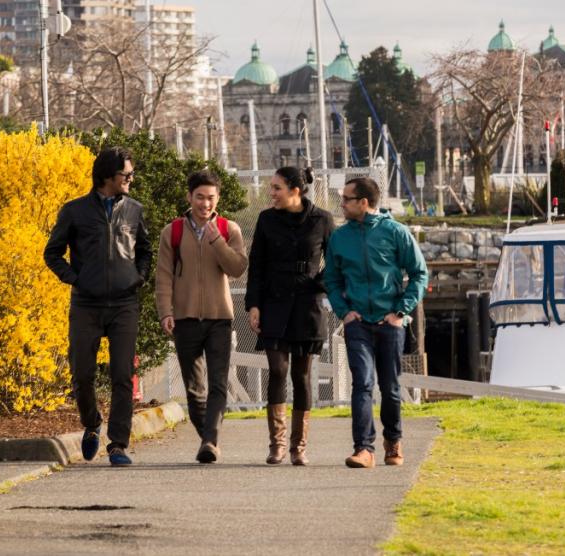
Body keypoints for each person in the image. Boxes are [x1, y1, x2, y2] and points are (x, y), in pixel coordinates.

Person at [44, 146, 152, 466]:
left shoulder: (134, 210)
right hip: (86, 305)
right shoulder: (74, 211)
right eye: (126, 174)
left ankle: (118, 445)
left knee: (122, 375)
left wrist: (139, 277)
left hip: (124, 304)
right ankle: (92, 424)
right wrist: (75, 278)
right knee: (82, 373)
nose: (131, 179)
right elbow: (52, 253)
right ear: (107, 176)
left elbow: (144, 250)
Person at [323, 176, 427, 469]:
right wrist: (344, 311)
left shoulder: (395, 233)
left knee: (391, 387)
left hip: (390, 323)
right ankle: (363, 449)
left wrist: (400, 312)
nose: (341, 204)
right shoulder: (339, 238)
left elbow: (419, 274)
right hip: (357, 323)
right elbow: (330, 279)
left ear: (364, 203)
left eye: (346, 199)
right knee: (363, 383)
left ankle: (393, 441)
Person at [155, 170, 248, 464]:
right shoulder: (173, 232)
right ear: (189, 197)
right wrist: (166, 312)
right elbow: (164, 276)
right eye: (199, 197)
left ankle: (210, 441)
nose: (205, 204)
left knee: (218, 382)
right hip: (184, 319)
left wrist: (216, 240)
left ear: (217, 198)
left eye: (210, 198)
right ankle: (207, 437)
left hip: (219, 318)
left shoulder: (228, 228)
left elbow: (237, 268)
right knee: (194, 387)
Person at [245, 166, 334, 465]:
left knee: (301, 375)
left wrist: (317, 285)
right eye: (271, 188)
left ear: (295, 190)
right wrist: (253, 305)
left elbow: (334, 264)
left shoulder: (322, 219)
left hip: (307, 306)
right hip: (273, 303)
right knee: (278, 371)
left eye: (277, 188)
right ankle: (277, 445)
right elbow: (256, 265)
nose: (271, 193)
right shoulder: (266, 219)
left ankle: (299, 447)